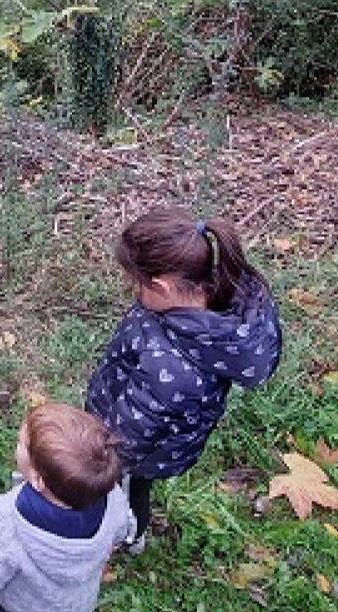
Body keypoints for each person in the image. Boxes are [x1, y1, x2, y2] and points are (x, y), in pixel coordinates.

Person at [86, 207, 282, 552]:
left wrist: (97, 457)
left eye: (137, 284)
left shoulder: (175, 372)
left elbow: (132, 435)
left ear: (161, 287)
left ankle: (127, 536)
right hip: (131, 417)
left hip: (136, 452)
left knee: (127, 491)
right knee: (130, 488)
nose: (133, 292)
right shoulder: (205, 293)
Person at [0, 402, 134, 612]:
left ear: (39, 480)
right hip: (74, 611)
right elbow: (125, 530)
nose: (17, 444)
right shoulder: (113, 497)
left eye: (22, 444)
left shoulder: (9, 520)